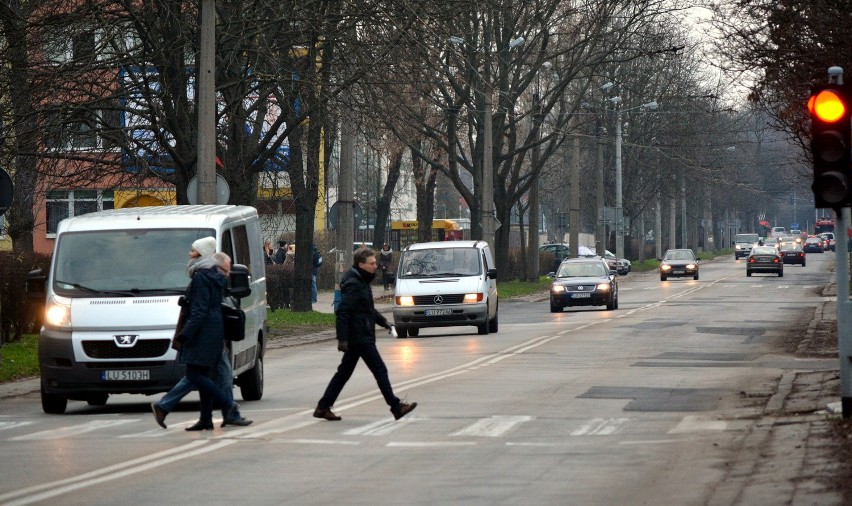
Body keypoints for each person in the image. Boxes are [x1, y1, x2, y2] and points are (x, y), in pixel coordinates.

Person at [151, 243, 252, 429]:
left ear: (201, 254)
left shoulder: (201, 277)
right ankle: (206, 418)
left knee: (195, 375)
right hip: (213, 330)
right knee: (205, 374)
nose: (189, 253)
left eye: (193, 251)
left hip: (202, 333)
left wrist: (185, 334)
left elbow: (199, 311)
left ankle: (228, 406)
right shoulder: (213, 275)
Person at [314, 247, 416, 422]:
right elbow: (343, 311)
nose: (375, 266)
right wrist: (342, 339)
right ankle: (396, 406)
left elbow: (367, 310)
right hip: (359, 336)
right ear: (361, 264)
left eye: (375, 263)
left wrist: (384, 322)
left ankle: (323, 407)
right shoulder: (354, 283)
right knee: (379, 370)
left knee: (344, 373)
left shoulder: (361, 280)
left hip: (360, 334)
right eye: (372, 263)